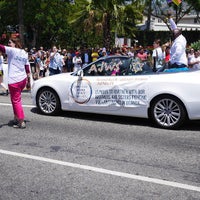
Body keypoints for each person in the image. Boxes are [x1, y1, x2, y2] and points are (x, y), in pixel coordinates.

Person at [0, 37, 31, 128]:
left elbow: (1, 47)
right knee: (15, 99)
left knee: (16, 100)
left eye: (10, 42)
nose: (8, 44)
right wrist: (28, 80)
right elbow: (27, 67)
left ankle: (21, 121)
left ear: (15, 43)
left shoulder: (12, 50)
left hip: (14, 81)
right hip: (22, 80)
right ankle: (16, 118)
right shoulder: (24, 52)